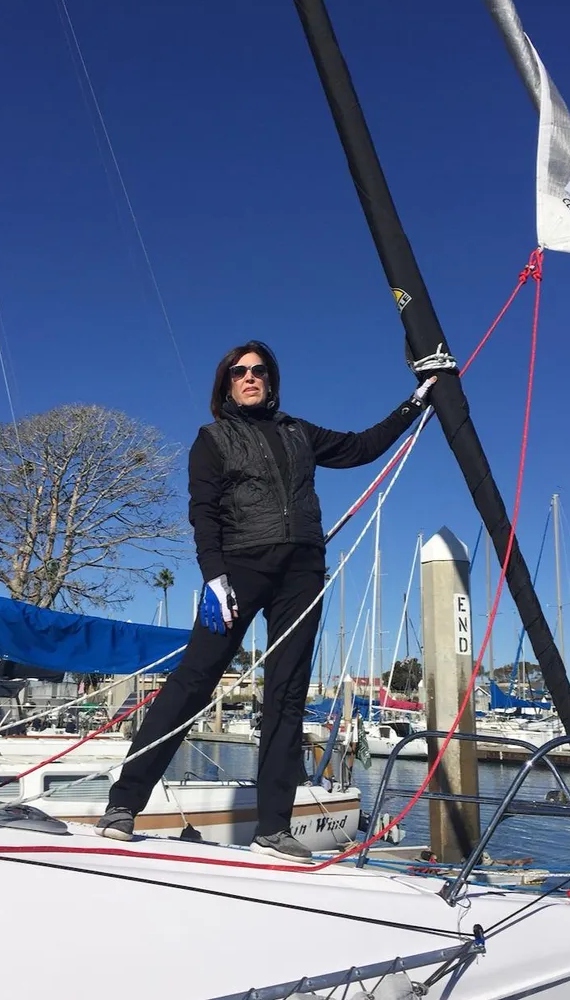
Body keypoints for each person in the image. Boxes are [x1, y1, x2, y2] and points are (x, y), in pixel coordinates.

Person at [96, 340, 436, 861]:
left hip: (301, 570)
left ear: (270, 380)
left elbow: (362, 447)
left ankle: (273, 828)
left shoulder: (299, 432)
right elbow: (202, 512)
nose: (249, 377)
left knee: (287, 693)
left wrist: (416, 403)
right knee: (193, 681)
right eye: (239, 372)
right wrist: (214, 577)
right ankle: (124, 804)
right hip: (238, 569)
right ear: (226, 383)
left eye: (258, 371)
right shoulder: (212, 440)